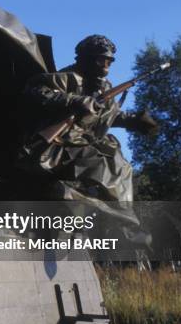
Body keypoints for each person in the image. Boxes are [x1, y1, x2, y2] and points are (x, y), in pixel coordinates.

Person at [16, 35, 158, 222]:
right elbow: (36, 91)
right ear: (87, 58)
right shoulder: (66, 79)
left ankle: (115, 213)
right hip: (60, 145)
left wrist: (133, 120)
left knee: (121, 166)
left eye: (109, 60)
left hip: (84, 143)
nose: (106, 65)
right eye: (101, 59)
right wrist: (74, 100)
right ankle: (80, 197)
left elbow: (106, 115)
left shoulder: (103, 87)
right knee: (99, 164)